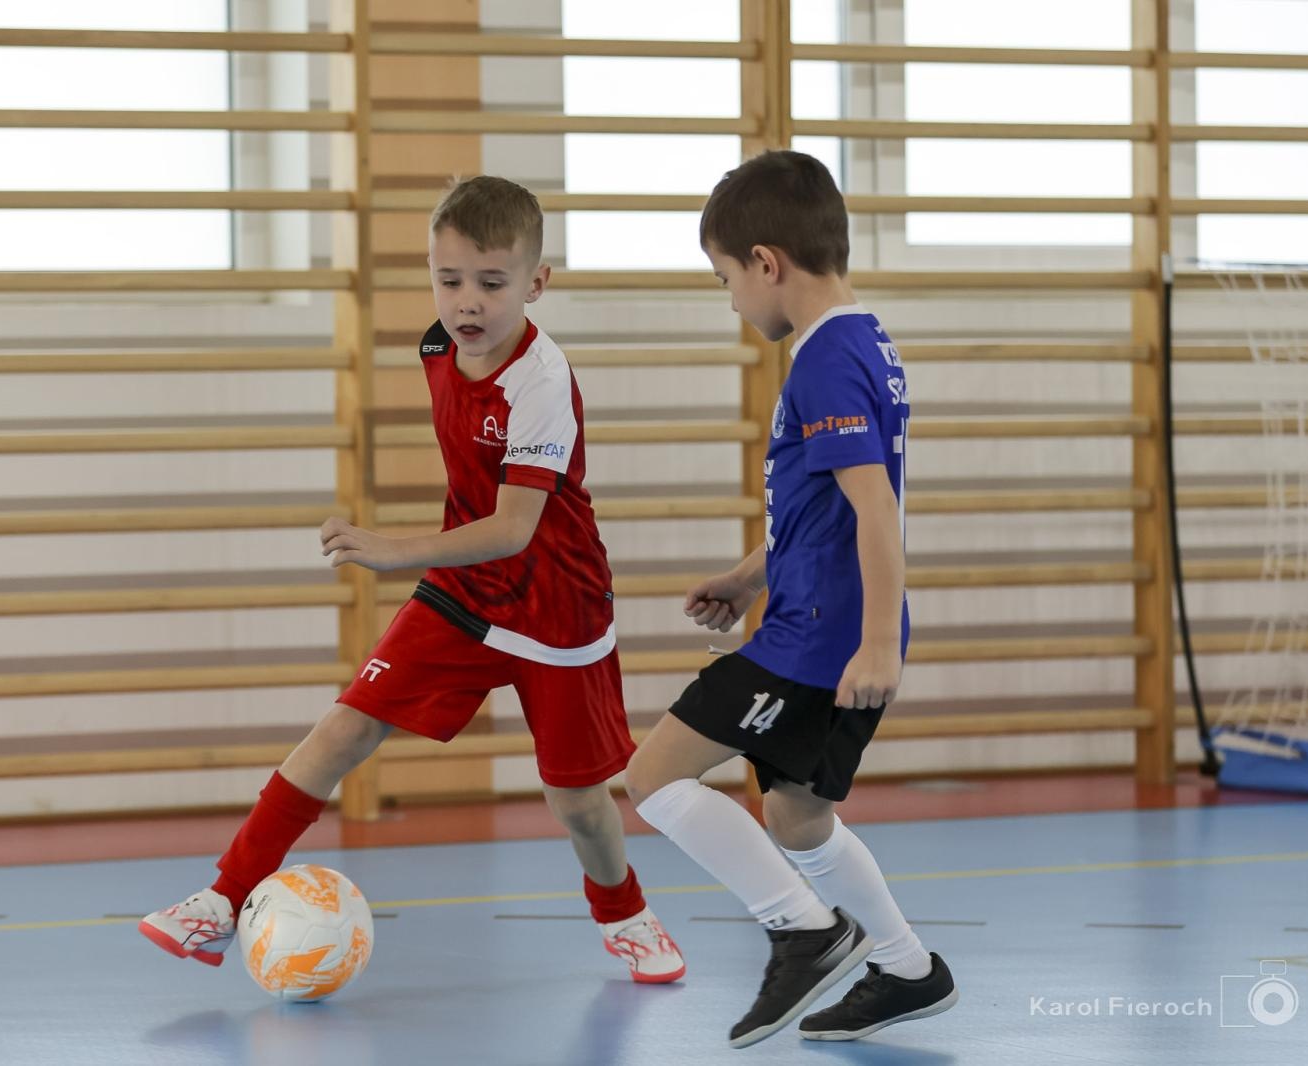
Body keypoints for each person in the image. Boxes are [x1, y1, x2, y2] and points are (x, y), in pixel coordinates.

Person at [140, 175, 684, 985]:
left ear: (537, 283)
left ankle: (626, 915)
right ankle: (221, 900)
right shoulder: (437, 346)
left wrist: (394, 550)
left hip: (556, 607)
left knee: (576, 799)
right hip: (465, 593)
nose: (467, 302)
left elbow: (514, 528)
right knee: (343, 729)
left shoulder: (539, 383)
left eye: (491, 283)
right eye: (449, 279)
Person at [624, 150, 957, 1047]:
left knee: (653, 777)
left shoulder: (825, 362)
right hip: (814, 619)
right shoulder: (861, 339)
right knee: (797, 815)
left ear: (766, 263)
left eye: (726, 278)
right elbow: (821, 509)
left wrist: (876, 643)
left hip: (820, 639)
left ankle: (804, 930)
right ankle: (908, 969)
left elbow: (874, 509)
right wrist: (748, 576)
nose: (732, 299)